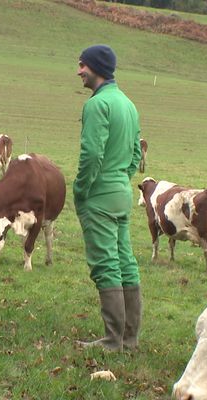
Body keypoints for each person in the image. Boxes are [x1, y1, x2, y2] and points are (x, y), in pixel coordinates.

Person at [74, 45, 142, 351]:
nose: (79, 71)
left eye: (82, 66)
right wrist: (121, 179)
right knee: (125, 261)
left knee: (105, 264)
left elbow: (91, 154)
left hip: (99, 196)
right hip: (121, 195)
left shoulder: (97, 105)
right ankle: (129, 338)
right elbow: (136, 153)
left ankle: (113, 340)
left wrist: (82, 188)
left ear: (96, 67)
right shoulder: (128, 104)